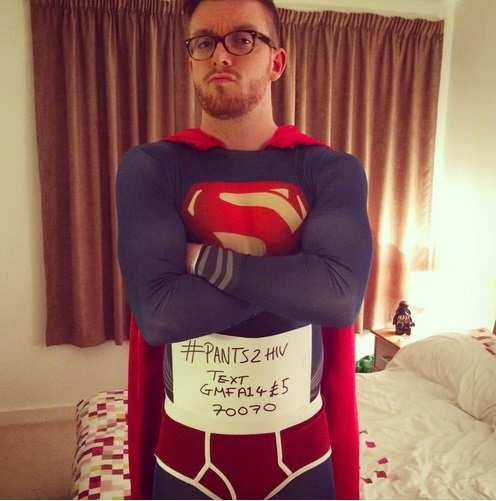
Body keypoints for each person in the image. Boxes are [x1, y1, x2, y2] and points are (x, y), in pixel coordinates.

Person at [116, 0, 373, 499]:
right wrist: (299, 277)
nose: (220, 55)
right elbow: (162, 314)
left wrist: (197, 260)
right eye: (203, 42)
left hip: (301, 452)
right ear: (190, 60)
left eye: (242, 39)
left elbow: (339, 297)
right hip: (188, 454)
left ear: (277, 61)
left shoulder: (329, 169)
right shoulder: (152, 167)